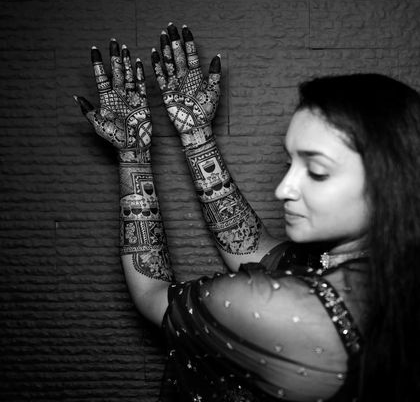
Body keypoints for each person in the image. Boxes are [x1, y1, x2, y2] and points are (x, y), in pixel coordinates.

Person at [74, 24, 420, 402]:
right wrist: (195, 136)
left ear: (393, 181)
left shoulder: (287, 311)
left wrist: (133, 156)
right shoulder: (379, 268)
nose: (282, 188)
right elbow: (249, 247)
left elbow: (151, 295)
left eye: (317, 171)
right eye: (289, 163)